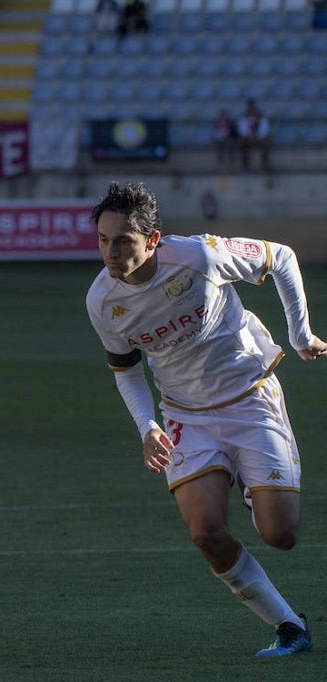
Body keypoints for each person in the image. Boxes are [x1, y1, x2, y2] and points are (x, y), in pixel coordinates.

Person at [86, 181, 324, 658]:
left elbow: (280, 256)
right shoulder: (102, 301)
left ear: (152, 240)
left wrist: (301, 336)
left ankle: (254, 489)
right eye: (103, 239)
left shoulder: (199, 257)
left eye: (123, 241)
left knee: (282, 535)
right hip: (185, 416)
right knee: (205, 532)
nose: (111, 252)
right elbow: (125, 369)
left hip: (249, 398)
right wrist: (147, 426)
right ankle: (289, 627)